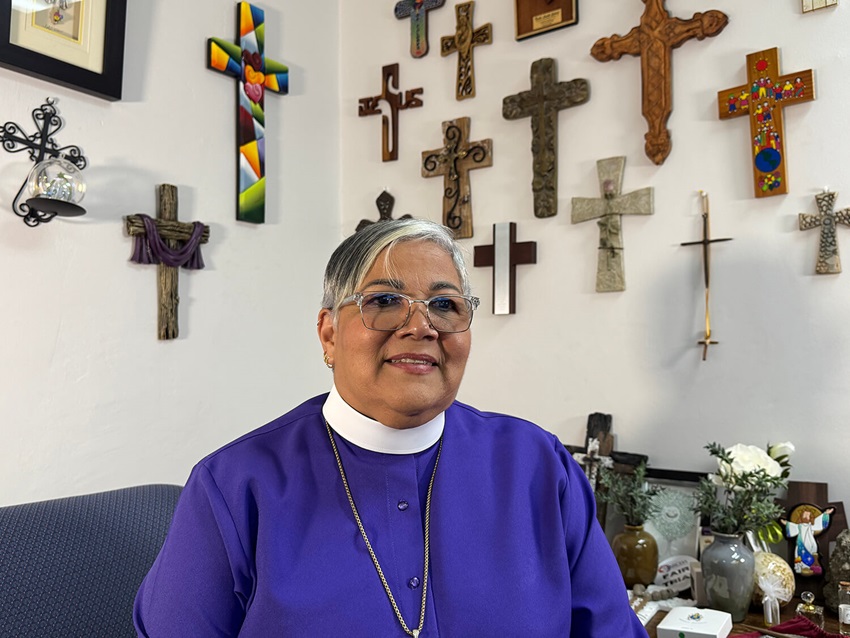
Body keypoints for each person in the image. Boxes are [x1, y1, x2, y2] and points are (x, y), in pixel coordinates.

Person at [134, 218, 647, 637]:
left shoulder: (538, 465)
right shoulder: (234, 486)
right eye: (384, 301)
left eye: (445, 305)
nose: (420, 325)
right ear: (329, 333)